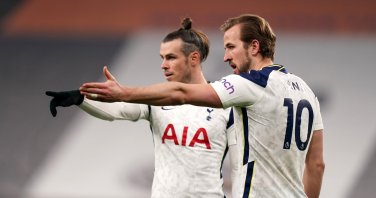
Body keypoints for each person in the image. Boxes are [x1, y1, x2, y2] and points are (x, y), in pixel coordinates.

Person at [80, 14, 325, 198]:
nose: (226, 56)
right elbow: (316, 165)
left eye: (231, 47)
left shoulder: (251, 84)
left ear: (254, 46)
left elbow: (181, 92)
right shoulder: (306, 91)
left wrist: (124, 92)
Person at [46, 18, 238, 198]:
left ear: (194, 59)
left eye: (171, 57)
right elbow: (119, 110)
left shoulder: (224, 103)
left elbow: (241, 167)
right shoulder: (156, 99)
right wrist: (80, 99)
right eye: (162, 58)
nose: (163, 65)